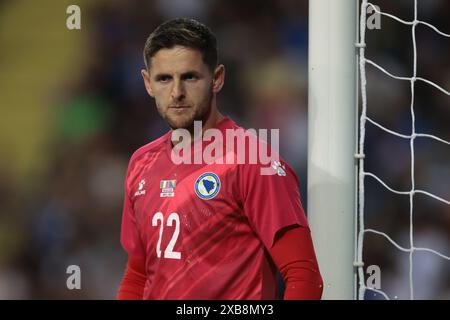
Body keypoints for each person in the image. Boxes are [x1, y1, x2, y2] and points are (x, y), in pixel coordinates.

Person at [117, 18, 323, 300]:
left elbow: (303, 275)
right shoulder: (141, 163)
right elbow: (138, 275)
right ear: (147, 83)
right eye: (164, 78)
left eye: (190, 77)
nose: (176, 92)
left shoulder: (253, 162)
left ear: (217, 78)